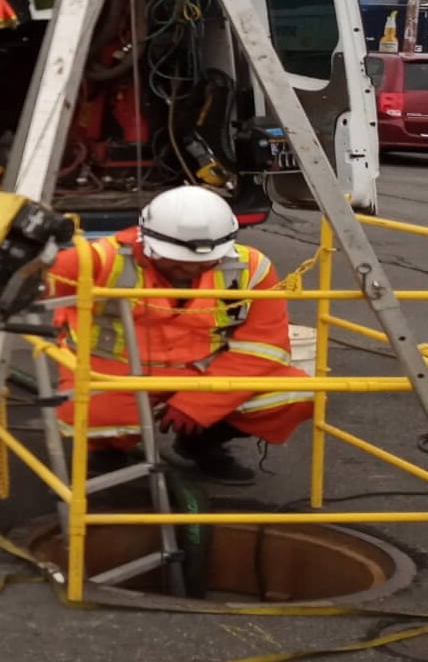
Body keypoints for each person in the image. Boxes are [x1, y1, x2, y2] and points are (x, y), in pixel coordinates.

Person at [45, 185, 313, 485]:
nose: (189, 268)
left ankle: (200, 443)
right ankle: (107, 451)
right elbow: (30, 283)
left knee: (295, 393)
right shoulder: (98, 259)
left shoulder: (251, 268)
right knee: (90, 416)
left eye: (202, 262)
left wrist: (200, 404)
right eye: (176, 260)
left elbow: (264, 348)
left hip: (204, 372)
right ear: (147, 243)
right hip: (115, 375)